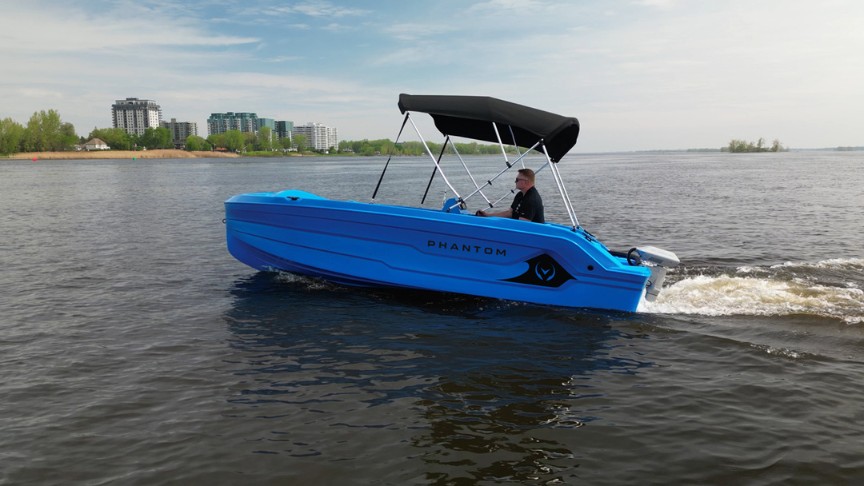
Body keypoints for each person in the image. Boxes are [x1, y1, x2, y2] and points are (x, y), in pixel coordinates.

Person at [475, 168, 545, 223]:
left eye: (517, 179)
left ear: (525, 182)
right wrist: (487, 215)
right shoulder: (520, 195)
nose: (515, 182)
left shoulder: (531, 199)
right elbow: (510, 213)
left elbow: (523, 224)